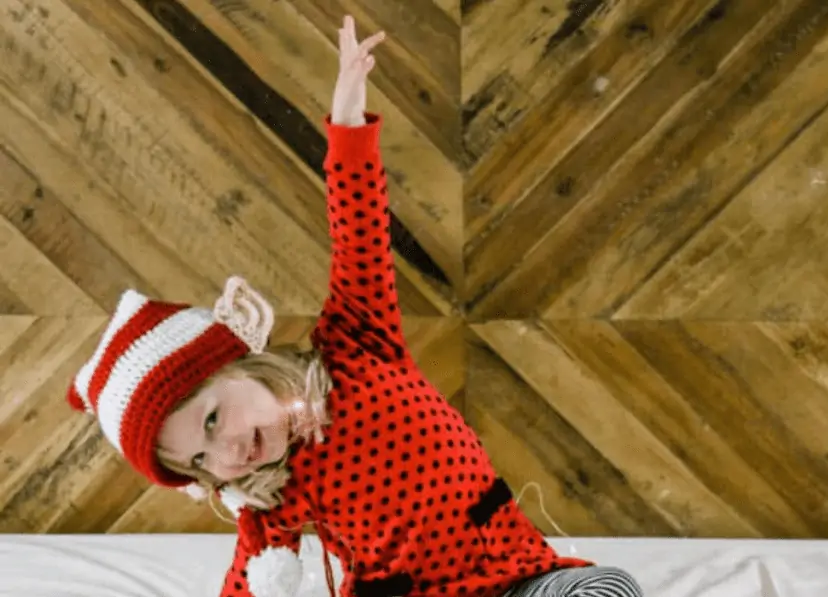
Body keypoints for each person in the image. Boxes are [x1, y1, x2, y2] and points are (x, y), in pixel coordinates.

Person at [66, 15, 645, 597]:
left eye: (213, 419)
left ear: (238, 363)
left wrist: (347, 127)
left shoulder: (356, 340)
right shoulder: (274, 496)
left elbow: (360, 230)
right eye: (200, 458)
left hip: (515, 574)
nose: (228, 452)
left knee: (608, 590)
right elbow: (244, 582)